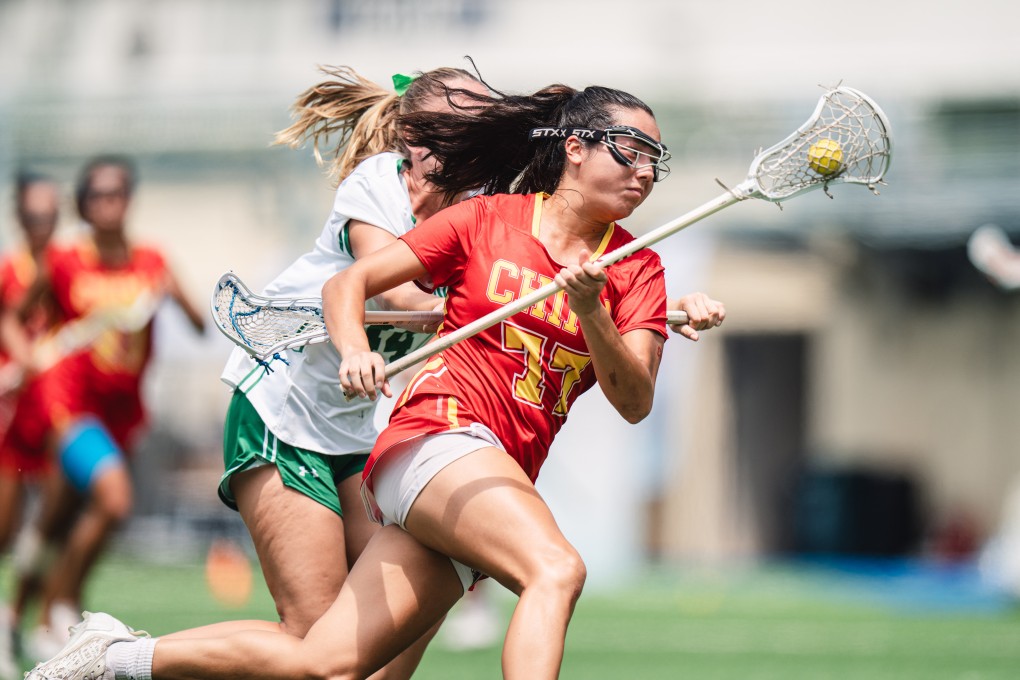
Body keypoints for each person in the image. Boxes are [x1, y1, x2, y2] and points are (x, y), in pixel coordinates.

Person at [25, 81, 725, 680]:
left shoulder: (639, 271)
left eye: (655, 162)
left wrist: (594, 314)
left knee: (324, 663)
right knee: (555, 569)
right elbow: (353, 283)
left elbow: (633, 402)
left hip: (476, 467)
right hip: (432, 434)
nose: (644, 171)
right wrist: (358, 345)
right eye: (629, 151)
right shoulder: (476, 218)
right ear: (576, 147)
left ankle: (114, 657)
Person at [214, 64, 490, 677]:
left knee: (406, 605)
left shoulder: (477, 208)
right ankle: (121, 657)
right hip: (284, 411)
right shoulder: (378, 185)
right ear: (417, 142)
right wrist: (473, 309)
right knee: (315, 639)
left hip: (355, 428)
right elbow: (396, 296)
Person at [3, 156, 205, 659]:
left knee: (56, 522)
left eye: (115, 194)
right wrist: (27, 359)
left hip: (121, 416)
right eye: (95, 196)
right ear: (84, 204)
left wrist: (170, 297)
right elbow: (13, 317)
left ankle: (14, 615)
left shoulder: (151, 262)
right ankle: (61, 611)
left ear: (129, 199)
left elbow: (200, 322)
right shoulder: (66, 260)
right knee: (113, 498)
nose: (107, 204)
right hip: (66, 407)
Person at [0, 171, 62, 680]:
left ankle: (25, 617)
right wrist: (24, 361)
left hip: (55, 416)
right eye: (35, 216)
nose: (45, 225)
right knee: (6, 529)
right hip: (12, 418)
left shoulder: (66, 267)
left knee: (51, 528)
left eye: (52, 215)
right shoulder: (10, 270)